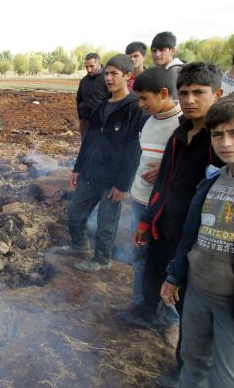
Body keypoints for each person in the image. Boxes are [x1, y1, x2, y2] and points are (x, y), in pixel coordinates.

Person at [132, 62, 224, 388]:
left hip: (199, 242)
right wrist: (146, 221)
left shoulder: (221, 144)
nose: (189, 99)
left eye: (198, 92)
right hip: (165, 228)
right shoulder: (179, 133)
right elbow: (163, 186)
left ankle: (189, 371)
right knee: (160, 282)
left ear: (217, 94)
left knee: (193, 313)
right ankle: (159, 328)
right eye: (184, 93)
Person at [160, 95, 234, 388]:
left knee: (225, 374)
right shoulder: (211, 182)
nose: (225, 142)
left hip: (230, 303)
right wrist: (174, 276)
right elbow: (191, 237)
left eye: (233, 133)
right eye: (218, 135)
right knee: (193, 360)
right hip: (199, 292)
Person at [54, 54, 147, 272]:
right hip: (91, 173)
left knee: (107, 223)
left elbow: (134, 150)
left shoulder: (134, 108)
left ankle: (102, 259)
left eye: (114, 74)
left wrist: (123, 185)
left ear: (127, 75)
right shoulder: (103, 104)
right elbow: (89, 140)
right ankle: (79, 246)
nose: (109, 78)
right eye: (107, 73)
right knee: (75, 211)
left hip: (113, 179)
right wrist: (78, 168)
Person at [116, 67, 183, 348]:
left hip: (163, 210)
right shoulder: (149, 121)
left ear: (164, 94)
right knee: (140, 258)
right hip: (141, 202)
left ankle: (164, 316)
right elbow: (143, 159)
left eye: (144, 99)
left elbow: (191, 169)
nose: (140, 105)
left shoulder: (182, 126)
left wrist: (168, 171)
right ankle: (143, 305)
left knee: (161, 263)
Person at [76, 53, 108, 140]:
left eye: (91, 66)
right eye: (86, 67)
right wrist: (81, 117)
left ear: (99, 63)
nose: (89, 69)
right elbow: (79, 99)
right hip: (86, 121)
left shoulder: (108, 78)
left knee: (100, 149)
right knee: (85, 147)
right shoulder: (84, 81)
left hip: (102, 122)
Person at [151, 32, 184, 100]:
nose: (157, 54)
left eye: (162, 50)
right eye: (154, 51)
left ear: (173, 51)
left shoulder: (175, 71)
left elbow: (175, 101)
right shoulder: (159, 71)